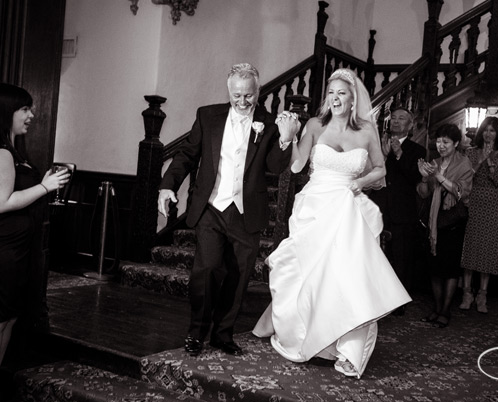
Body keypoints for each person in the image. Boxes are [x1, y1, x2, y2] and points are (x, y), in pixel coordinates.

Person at [252, 68, 411, 378]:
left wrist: (360, 181)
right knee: (309, 276)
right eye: (331, 93)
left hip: (348, 210)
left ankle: (349, 350)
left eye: (342, 93)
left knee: (349, 278)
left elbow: (381, 170)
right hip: (315, 208)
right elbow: (298, 165)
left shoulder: (366, 130)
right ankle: (305, 335)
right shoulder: (314, 125)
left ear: (353, 99)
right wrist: (290, 139)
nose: (335, 98)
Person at [157, 63, 296, 356]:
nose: (243, 102)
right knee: (205, 271)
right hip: (211, 207)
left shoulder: (269, 124)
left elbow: (274, 166)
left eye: (249, 95)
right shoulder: (207, 115)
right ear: (229, 91)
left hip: (247, 212)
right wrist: (168, 185)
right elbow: (186, 155)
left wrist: (285, 139)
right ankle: (196, 333)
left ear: (258, 91)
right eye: (237, 96)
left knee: (238, 276)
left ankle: (223, 334)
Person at [0, 84, 69, 384]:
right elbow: (2, 202)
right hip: (4, 250)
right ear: (7, 112)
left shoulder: (14, 150)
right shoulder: (2, 152)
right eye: (25, 109)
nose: (31, 115)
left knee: (9, 317)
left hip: (18, 249)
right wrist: (44, 187)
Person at [369, 108, 426, 315]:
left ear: (410, 126)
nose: (396, 122)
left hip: (403, 210)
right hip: (378, 206)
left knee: (401, 257)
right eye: (393, 118)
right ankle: (374, 298)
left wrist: (399, 155)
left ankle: (398, 302)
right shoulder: (377, 145)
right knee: (376, 254)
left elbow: (414, 179)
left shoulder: (417, 150)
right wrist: (384, 156)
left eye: (401, 119)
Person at [417, 124, 473, 328]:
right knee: (434, 267)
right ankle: (437, 308)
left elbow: (461, 193)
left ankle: (445, 310)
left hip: (453, 220)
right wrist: (424, 176)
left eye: (445, 142)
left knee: (449, 268)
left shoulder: (464, 163)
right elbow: (423, 193)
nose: (440, 146)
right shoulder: (434, 162)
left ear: (456, 143)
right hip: (434, 219)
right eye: (438, 141)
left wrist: (439, 176)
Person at [459, 116, 498, 313]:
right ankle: (466, 293)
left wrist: (489, 162)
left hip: (491, 203)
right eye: (486, 130)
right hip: (471, 199)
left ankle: (482, 295)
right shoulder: (471, 151)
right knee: (470, 247)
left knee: (487, 248)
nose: (488, 134)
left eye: (492, 131)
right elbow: (465, 176)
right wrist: (479, 160)